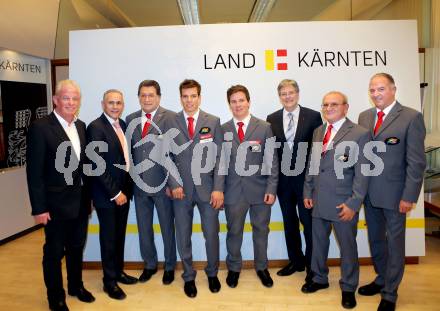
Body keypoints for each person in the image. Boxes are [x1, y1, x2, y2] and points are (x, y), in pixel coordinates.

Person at [358, 73, 426, 311]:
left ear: (393, 89)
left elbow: (416, 162)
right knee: (376, 240)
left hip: (396, 195)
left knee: (395, 244)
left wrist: (409, 196)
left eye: (381, 89)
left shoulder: (411, 117)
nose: (376, 94)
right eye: (372, 90)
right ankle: (381, 278)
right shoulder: (364, 117)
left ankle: (390, 293)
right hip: (369, 194)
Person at [26, 79, 95, 311]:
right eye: (66, 97)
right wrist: (39, 208)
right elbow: (34, 173)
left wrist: (90, 197)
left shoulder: (81, 126)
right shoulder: (41, 127)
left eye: (75, 98)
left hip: (80, 201)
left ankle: (76, 286)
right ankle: (55, 296)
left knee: (77, 247)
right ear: (56, 100)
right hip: (54, 204)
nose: (71, 102)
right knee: (54, 253)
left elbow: (84, 165)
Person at [301, 91, 369, 309]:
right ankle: (319, 278)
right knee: (318, 243)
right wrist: (307, 191)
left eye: (334, 104)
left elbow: (363, 174)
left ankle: (348, 287)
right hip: (318, 199)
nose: (329, 108)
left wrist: (354, 203)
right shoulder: (319, 132)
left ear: (345, 107)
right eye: (325, 105)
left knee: (348, 247)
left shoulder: (359, 133)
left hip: (343, 203)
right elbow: (313, 165)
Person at [168, 79, 224, 298]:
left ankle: (212, 273)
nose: (189, 100)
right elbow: (166, 155)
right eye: (185, 96)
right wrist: (174, 183)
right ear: (180, 97)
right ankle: (189, 277)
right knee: (183, 236)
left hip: (208, 190)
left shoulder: (213, 121)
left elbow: (220, 157)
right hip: (181, 191)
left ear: (199, 97)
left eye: (193, 96)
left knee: (211, 234)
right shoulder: (171, 121)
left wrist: (218, 188)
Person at [222, 84, 279, 289]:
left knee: (261, 230)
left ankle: (262, 267)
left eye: (241, 100)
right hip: (233, 192)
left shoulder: (264, 127)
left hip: (260, 190)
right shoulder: (223, 129)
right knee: (234, 231)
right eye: (233, 101)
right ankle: (234, 268)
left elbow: (272, 161)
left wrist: (271, 189)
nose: (238, 105)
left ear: (248, 101)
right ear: (229, 104)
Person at [266, 79, 322, 280]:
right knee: (290, 224)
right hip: (283, 183)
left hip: (306, 182)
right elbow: (271, 153)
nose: (287, 97)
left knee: (309, 223)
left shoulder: (314, 116)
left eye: (291, 93)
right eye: (283, 94)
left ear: (297, 94)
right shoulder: (271, 119)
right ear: (279, 96)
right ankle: (296, 261)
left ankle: (312, 266)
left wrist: (313, 180)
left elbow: (317, 151)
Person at [87, 89, 137, 300]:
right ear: (102, 104)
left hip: (123, 192)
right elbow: (96, 165)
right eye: (111, 103)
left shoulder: (122, 124)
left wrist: (125, 190)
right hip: (108, 194)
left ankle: (118, 272)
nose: (115, 106)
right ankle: (109, 282)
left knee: (119, 235)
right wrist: (115, 193)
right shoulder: (96, 128)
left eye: (118, 103)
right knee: (108, 238)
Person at [125, 80, 177, 285]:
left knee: (166, 228)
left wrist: (173, 184)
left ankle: (170, 266)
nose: (147, 99)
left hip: (163, 186)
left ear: (159, 97)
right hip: (139, 186)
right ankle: (149, 264)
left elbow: (176, 154)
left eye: (151, 95)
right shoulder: (130, 119)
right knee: (144, 228)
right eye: (143, 95)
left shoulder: (171, 117)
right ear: (139, 97)